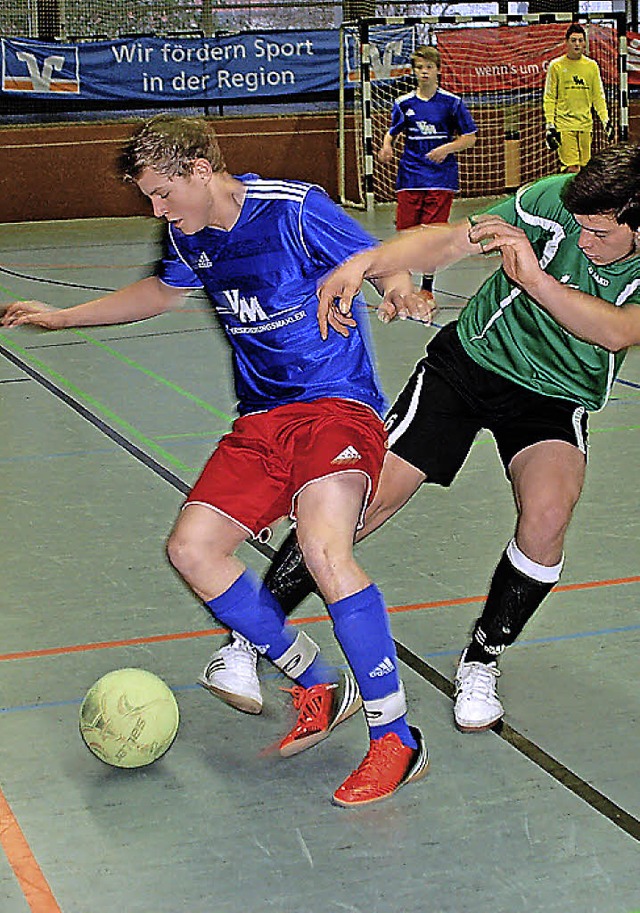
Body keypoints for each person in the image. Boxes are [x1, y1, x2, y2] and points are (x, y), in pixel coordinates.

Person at [0, 114, 431, 807]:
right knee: (192, 548)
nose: (157, 210)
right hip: (261, 419)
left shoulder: (292, 210)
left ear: (202, 170)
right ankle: (315, 680)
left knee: (324, 549)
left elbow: (378, 255)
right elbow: (163, 290)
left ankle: (397, 739)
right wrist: (63, 316)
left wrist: (401, 287)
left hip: (334, 407)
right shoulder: (186, 231)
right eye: (150, 197)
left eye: (164, 193)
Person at [246, 142, 640, 734]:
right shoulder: (553, 200)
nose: (585, 244)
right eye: (580, 230)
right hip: (471, 366)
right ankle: (251, 633)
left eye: (601, 236)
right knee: (360, 500)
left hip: (556, 396)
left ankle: (482, 659)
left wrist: (533, 277)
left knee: (549, 515)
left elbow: (616, 332)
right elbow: (452, 239)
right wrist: (369, 262)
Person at [377, 44, 477, 301]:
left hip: (440, 178)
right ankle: (403, 284)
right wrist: (386, 145)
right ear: (414, 71)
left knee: (432, 235)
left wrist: (447, 148)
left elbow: (470, 137)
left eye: (429, 67)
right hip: (410, 176)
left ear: (438, 71)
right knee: (406, 234)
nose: (424, 72)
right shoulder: (403, 103)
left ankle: (427, 288)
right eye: (419, 68)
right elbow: (393, 131)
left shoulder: (452, 103)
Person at [543, 22, 613, 173]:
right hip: (565, 125)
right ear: (566, 42)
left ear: (585, 43)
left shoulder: (592, 66)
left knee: (585, 169)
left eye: (580, 40)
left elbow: (598, 96)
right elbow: (550, 97)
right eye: (573, 40)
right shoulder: (556, 66)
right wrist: (550, 124)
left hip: (585, 125)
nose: (577, 44)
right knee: (572, 168)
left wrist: (605, 120)